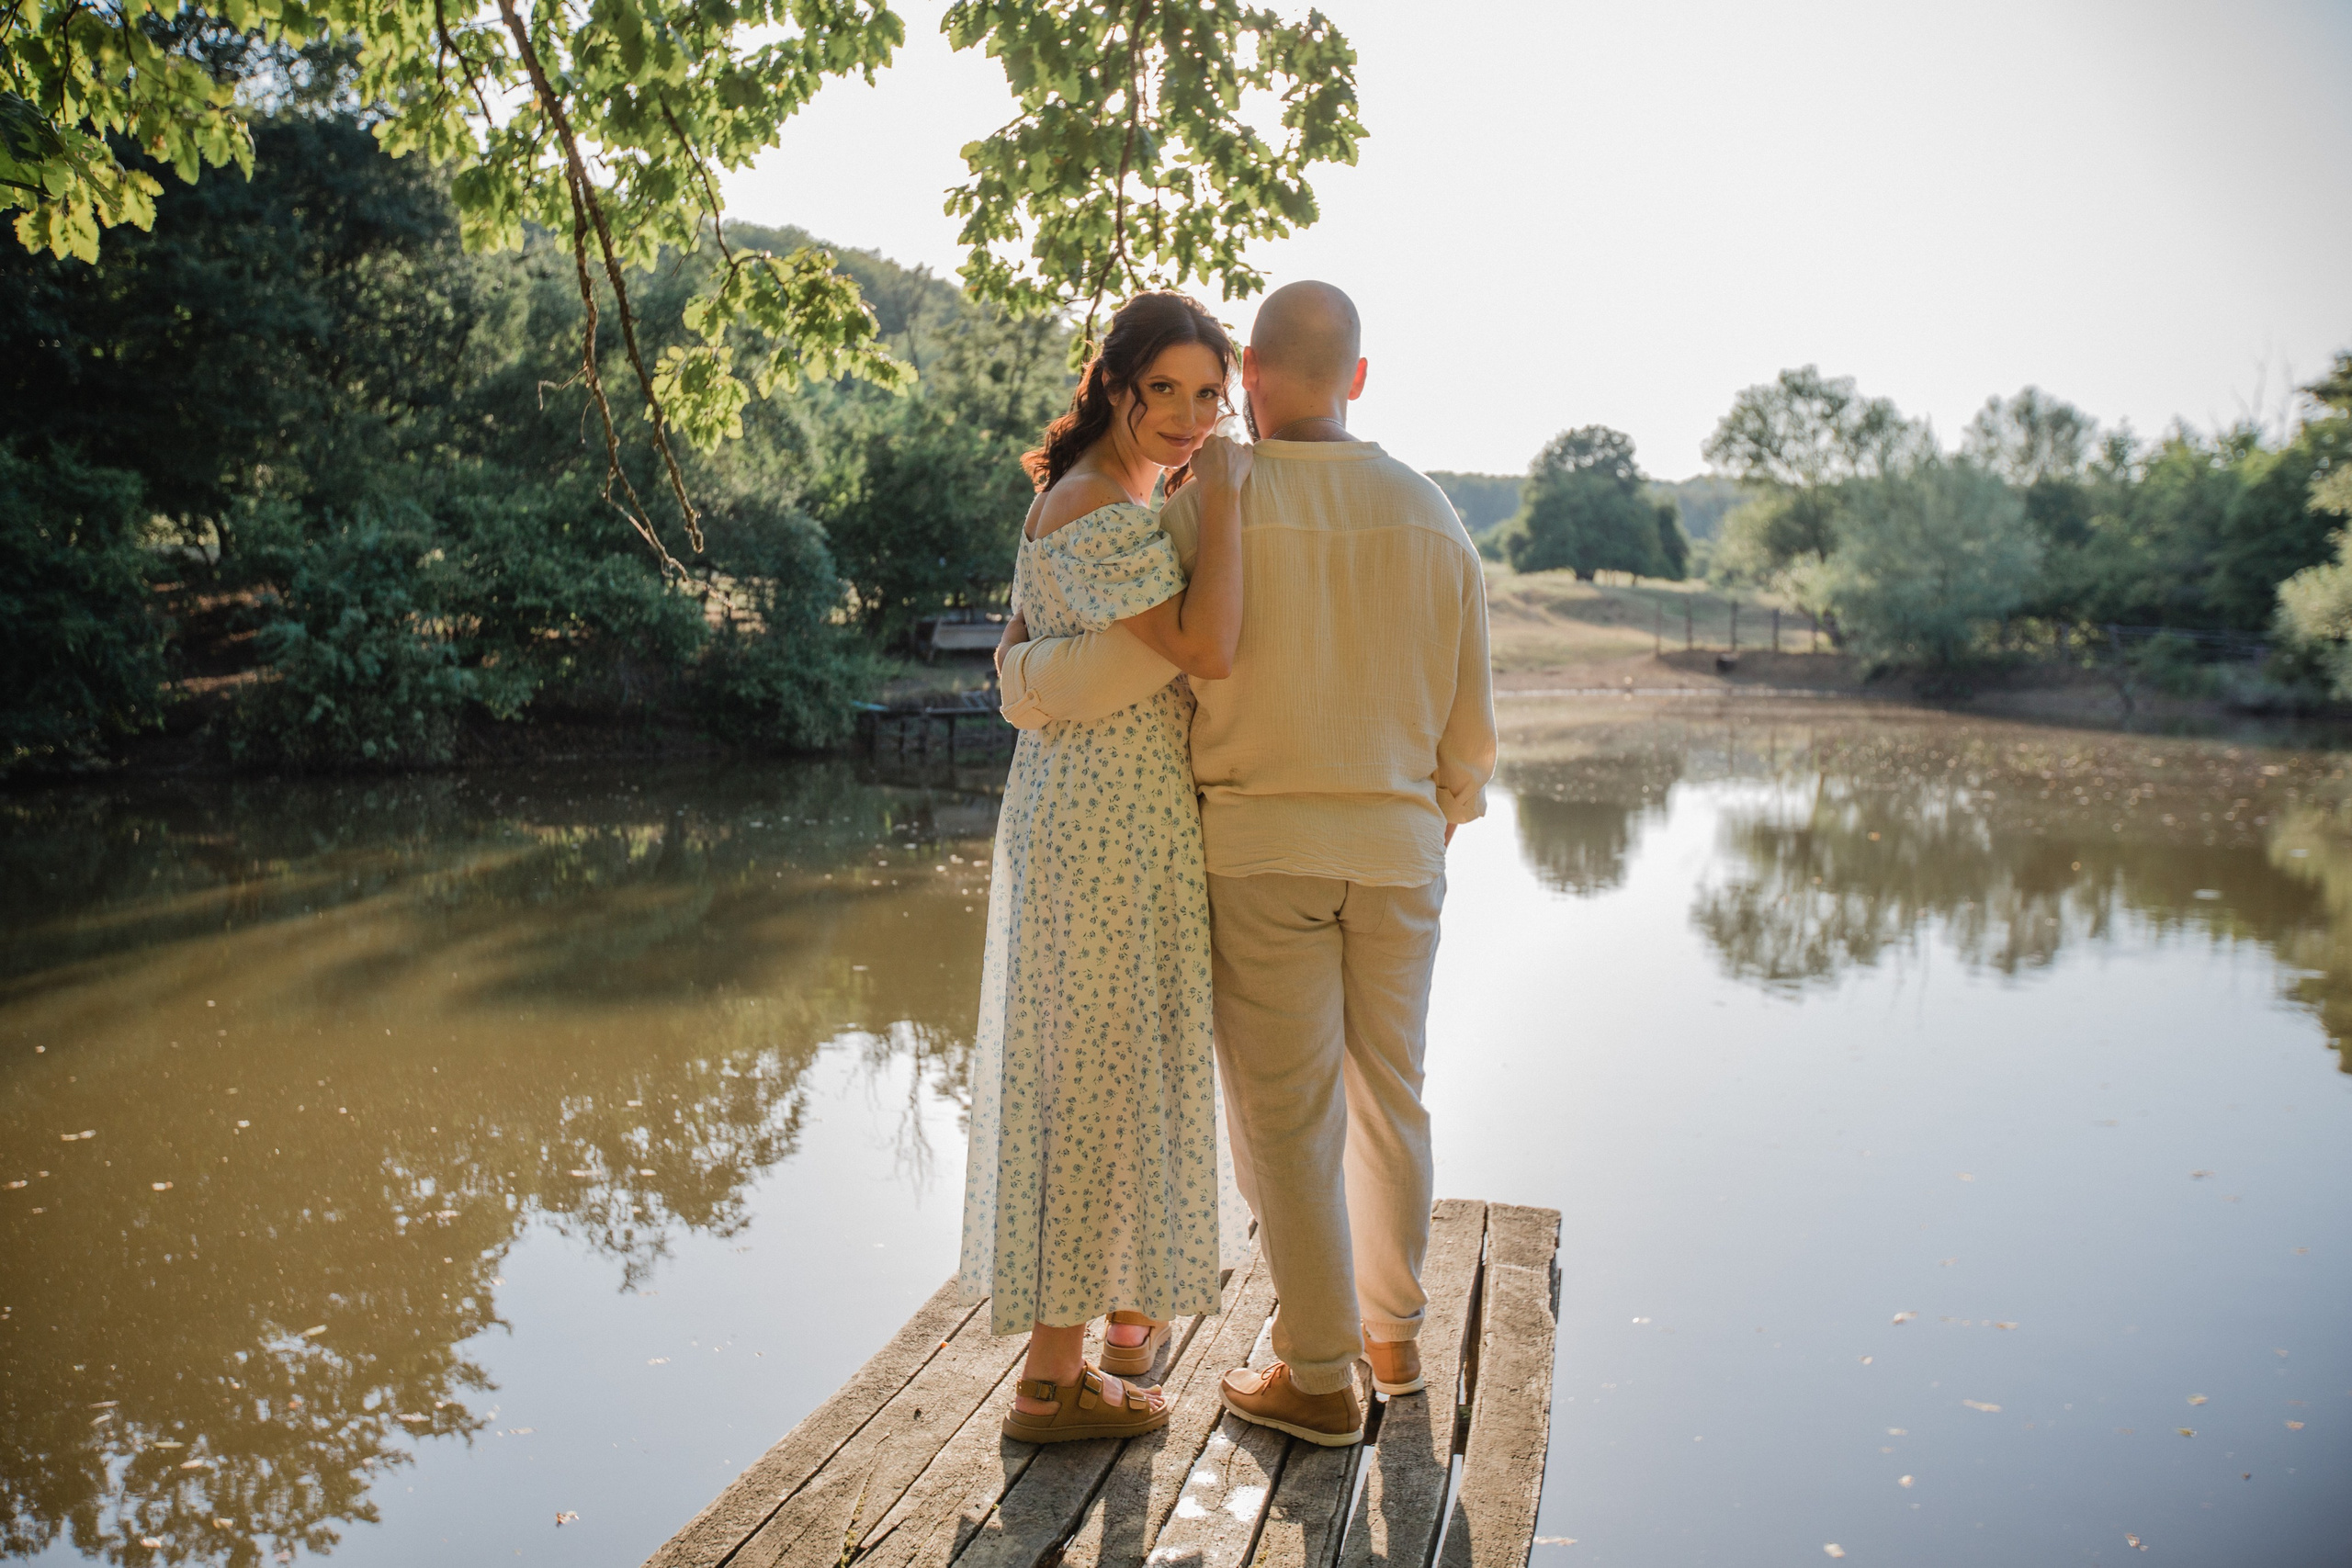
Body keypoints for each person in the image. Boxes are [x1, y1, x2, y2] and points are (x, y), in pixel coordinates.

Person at [996, 280, 1498, 1447]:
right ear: (1359, 379)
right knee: (1392, 1094)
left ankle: (1315, 1373)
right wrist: (1440, 811)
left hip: (1256, 847)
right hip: (1396, 849)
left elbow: (1126, 665)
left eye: (1215, 389)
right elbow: (1470, 727)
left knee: (1283, 1118)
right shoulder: (1433, 516)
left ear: (1250, 384)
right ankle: (1394, 1341)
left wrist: (1017, 681)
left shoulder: (1207, 503)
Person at [960, 290, 1254, 1444]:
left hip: (1115, 815)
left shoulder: (1107, 494)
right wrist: (1221, 506)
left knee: (1120, 1065)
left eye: (1209, 399)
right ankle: (1048, 1381)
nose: (1189, 419)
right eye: (1167, 392)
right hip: (1102, 830)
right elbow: (1210, 650)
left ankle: (1121, 1327)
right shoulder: (1096, 506)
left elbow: (1046, 660)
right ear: (1115, 383)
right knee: (1088, 1081)